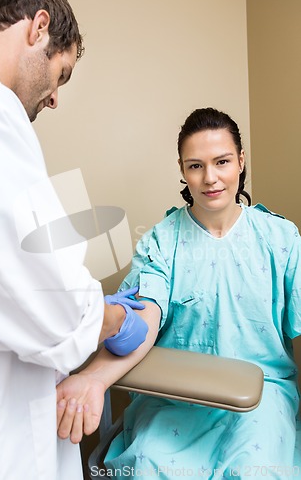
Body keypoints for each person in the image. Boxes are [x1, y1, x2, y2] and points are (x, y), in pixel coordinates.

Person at [56, 107, 301, 478]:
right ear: (182, 170)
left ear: (241, 161)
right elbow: (143, 321)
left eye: (222, 162)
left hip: (261, 397)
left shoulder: (281, 239)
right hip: (176, 399)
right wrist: (92, 378)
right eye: (195, 166)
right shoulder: (161, 241)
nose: (210, 178)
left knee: (255, 470)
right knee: (148, 466)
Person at [0, 0, 147, 479]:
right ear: (38, 27)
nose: (53, 100)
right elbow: (53, 300)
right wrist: (113, 318)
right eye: (60, 74)